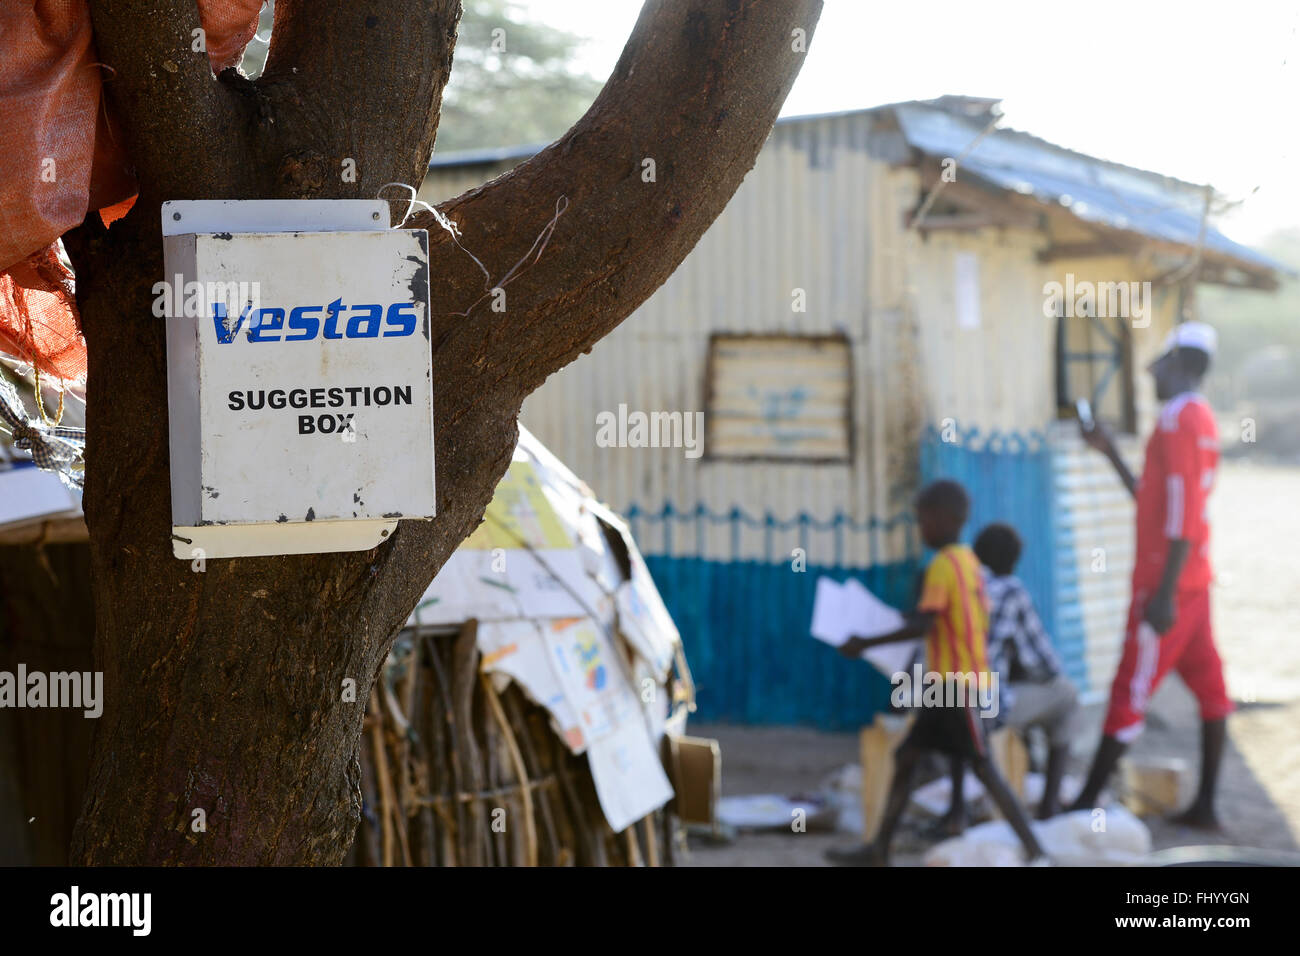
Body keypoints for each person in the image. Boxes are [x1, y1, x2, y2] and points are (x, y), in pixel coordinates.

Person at [825, 480, 1046, 865]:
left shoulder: (943, 566)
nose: (920, 528)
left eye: (923, 520)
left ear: (945, 519)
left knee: (983, 768)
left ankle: (1038, 851)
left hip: (958, 686)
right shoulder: (967, 562)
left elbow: (923, 625)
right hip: (945, 686)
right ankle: (879, 849)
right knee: (908, 757)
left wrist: (865, 642)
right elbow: (930, 617)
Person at [1069, 322, 1231, 829]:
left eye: (1158, 363)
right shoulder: (1203, 418)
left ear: (1180, 364)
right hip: (1194, 580)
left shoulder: (1176, 419)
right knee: (1210, 688)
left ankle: (1083, 803)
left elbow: (1180, 514)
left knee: (1128, 691)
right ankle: (1205, 804)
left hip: (1168, 585)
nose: (1151, 373)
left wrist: (1162, 596)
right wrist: (1109, 452)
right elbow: (1159, 502)